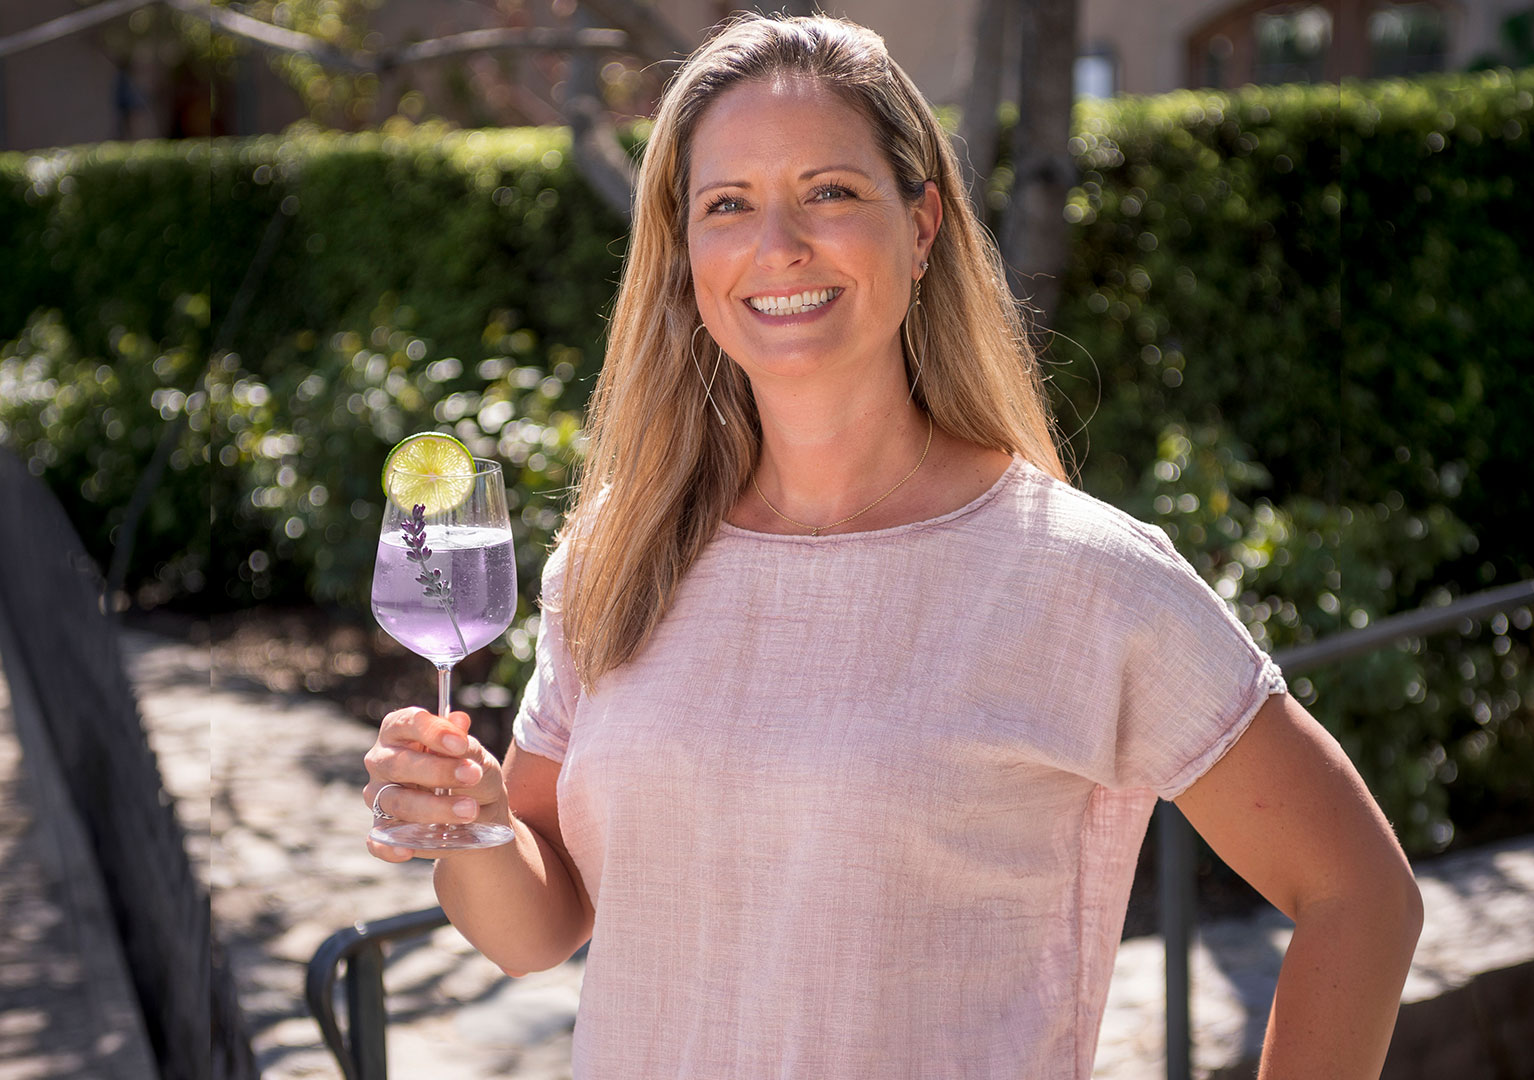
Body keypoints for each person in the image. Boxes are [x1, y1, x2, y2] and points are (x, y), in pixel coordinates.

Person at [362, 13, 1422, 1077]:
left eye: (830, 192)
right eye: (727, 205)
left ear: (921, 227)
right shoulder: (618, 553)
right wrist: (473, 821)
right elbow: (538, 928)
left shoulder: (1080, 577)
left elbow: (1359, 895)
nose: (777, 245)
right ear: (684, 256)